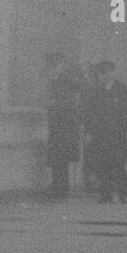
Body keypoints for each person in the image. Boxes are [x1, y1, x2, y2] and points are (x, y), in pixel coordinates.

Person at [83, 61, 127, 202]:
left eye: (107, 72)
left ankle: (124, 194)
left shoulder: (123, 90)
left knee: (118, 164)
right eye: (101, 73)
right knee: (101, 165)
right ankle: (105, 194)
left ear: (113, 73)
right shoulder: (94, 92)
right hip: (99, 135)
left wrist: (122, 128)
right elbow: (88, 113)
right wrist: (92, 130)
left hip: (117, 135)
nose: (104, 76)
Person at [45, 51, 82, 197]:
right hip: (60, 126)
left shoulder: (64, 81)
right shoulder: (60, 80)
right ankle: (59, 186)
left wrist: (53, 104)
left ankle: (60, 187)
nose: (53, 68)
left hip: (63, 126)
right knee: (59, 158)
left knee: (60, 158)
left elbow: (67, 102)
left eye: (55, 65)